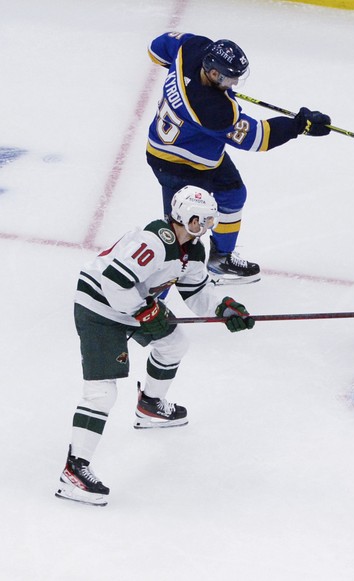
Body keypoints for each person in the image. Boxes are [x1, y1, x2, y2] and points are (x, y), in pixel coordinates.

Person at [55, 186, 256, 507]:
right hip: (98, 307)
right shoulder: (154, 240)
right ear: (179, 216)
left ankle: (150, 405)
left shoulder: (193, 250)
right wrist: (143, 311)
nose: (202, 229)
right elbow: (112, 282)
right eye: (196, 222)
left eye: (208, 222)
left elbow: (196, 293)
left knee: (174, 343)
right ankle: (73, 471)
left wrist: (224, 308)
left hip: (134, 302)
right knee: (102, 392)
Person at [146, 32, 332, 284]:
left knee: (233, 194)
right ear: (213, 73)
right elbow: (258, 138)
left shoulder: (192, 47)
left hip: (201, 151)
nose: (233, 84)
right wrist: (300, 125)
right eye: (229, 79)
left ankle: (220, 260)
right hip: (175, 165)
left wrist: (180, 77)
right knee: (181, 237)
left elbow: (156, 49)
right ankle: (154, 301)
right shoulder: (214, 111)